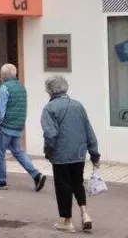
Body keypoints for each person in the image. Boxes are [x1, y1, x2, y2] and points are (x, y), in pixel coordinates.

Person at [41, 75, 100, 233]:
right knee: (77, 183)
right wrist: (94, 154)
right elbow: (89, 131)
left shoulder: (49, 108)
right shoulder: (78, 106)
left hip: (61, 155)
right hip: (79, 154)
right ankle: (84, 213)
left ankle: (66, 221)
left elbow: (50, 134)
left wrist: (48, 151)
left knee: (63, 186)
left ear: (50, 91)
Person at [0, 63, 46, 192]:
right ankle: (36, 175)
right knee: (18, 152)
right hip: (17, 127)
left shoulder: (4, 88)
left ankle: (0, 181)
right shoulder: (21, 87)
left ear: (3, 76)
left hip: (4, 127)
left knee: (0, 153)